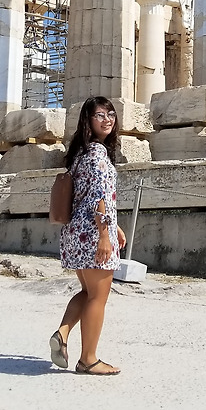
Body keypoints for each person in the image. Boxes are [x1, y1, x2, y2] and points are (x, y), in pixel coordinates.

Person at [50, 96, 127, 376]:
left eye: (111, 114)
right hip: (93, 233)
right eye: (100, 115)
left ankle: (62, 333)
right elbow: (98, 197)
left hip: (76, 231)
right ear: (88, 120)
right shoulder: (98, 154)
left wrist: (114, 226)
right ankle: (88, 360)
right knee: (98, 297)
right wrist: (105, 235)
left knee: (87, 292)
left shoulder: (80, 154)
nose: (107, 120)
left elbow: (85, 196)